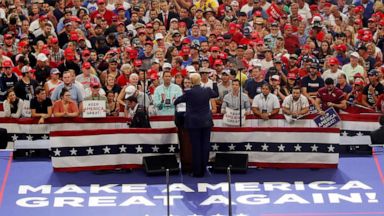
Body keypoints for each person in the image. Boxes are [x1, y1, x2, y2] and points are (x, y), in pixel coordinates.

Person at [174, 73, 218, 177]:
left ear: (192, 82)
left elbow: (176, 101)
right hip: (206, 122)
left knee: (196, 147)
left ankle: (197, 172)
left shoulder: (189, 93)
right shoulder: (207, 90)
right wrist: (214, 81)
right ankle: (204, 168)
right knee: (205, 146)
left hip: (193, 124)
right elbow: (216, 93)